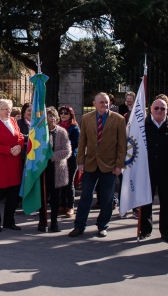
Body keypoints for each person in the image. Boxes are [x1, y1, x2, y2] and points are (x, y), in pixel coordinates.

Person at [69, 93, 127, 238]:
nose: (104, 105)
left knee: (107, 198)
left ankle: (102, 226)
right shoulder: (87, 118)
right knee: (85, 197)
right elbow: (82, 142)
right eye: (101, 102)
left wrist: (119, 165)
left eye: (106, 102)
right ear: (94, 103)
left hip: (110, 165)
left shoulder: (118, 119)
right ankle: (79, 226)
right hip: (90, 164)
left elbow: (122, 144)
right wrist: (80, 161)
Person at [140, 98, 168, 243]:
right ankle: (145, 230)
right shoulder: (142, 125)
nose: (159, 111)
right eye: (156, 108)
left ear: (167, 110)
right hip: (147, 170)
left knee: (167, 202)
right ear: (150, 109)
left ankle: (167, 232)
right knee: (146, 201)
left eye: (162, 108)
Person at [0, 99, 25, 232]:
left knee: (13, 195)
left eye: (9, 109)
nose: (8, 111)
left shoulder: (13, 121)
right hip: (0, 164)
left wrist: (19, 146)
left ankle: (9, 221)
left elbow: (20, 136)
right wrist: (9, 150)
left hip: (14, 163)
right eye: (5, 109)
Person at [41, 107, 71, 233]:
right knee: (43, 197)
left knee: (55, 198)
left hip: (57, 168)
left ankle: (54, 223)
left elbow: (67, 151)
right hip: (43, 170)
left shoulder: (62, 132)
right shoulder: (41, 132)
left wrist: (52, 156)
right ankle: (42, 222)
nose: (52, 118)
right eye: (49, 116)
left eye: (54, 116)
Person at [57, 105, 80, 217]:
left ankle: (70, 206)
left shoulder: (74, 128)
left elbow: (75, 144)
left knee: (69, 183)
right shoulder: (57, 127)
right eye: (61, 113)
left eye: (66, 113)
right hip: (59, 159)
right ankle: (62, 204)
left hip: (71, 158)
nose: (63, 115)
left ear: (71, 115)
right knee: (61, 182)